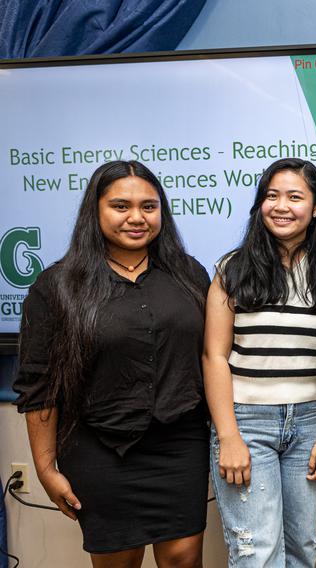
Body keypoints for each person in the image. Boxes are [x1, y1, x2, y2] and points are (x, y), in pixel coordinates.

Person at [13, 160, 211, 567]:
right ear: (95, 211)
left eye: (149, 206)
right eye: (121, 206)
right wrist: (46, 469)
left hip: (180, 445)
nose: (136, 218)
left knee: (184, 560)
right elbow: (39, 386)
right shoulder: (58, 285)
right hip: (99, 449)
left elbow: (211, 359)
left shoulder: (189, 274)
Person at [204, 158, 316, 567]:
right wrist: (228, 436)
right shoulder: (232, 269)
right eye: (271, 196)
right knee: (257, 552)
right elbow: (213, 356)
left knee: (303, 549)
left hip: (310, 423)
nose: (281, 206)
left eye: (294, 197)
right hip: (246, 422)